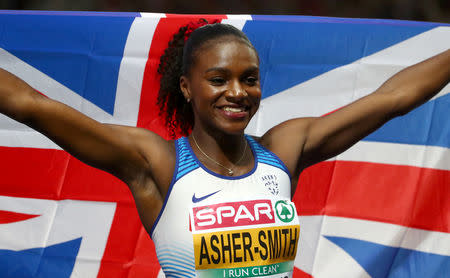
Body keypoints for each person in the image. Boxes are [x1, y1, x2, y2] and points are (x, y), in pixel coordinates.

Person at [0, 19, 449, 277]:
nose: (238, 92)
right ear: (186, 87)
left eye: (249, 79)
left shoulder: (284, 150)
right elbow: (29, 106)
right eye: (218, 79)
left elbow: (392, 99)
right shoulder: (156, 162)